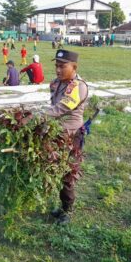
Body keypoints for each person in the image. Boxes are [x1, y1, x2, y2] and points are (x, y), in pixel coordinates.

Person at [46, 49, 89, 225]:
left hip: (72, 137)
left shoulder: (78, 86)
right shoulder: (57, 83)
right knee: (55, 168)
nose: (57, 70)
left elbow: (61, 108)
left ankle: (67, 211)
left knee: (68, 175)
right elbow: (53, 105)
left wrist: (38, 116)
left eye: (62, 66)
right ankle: (62, 206)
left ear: (74, 67)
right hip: (58, 134)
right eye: (56, 65)